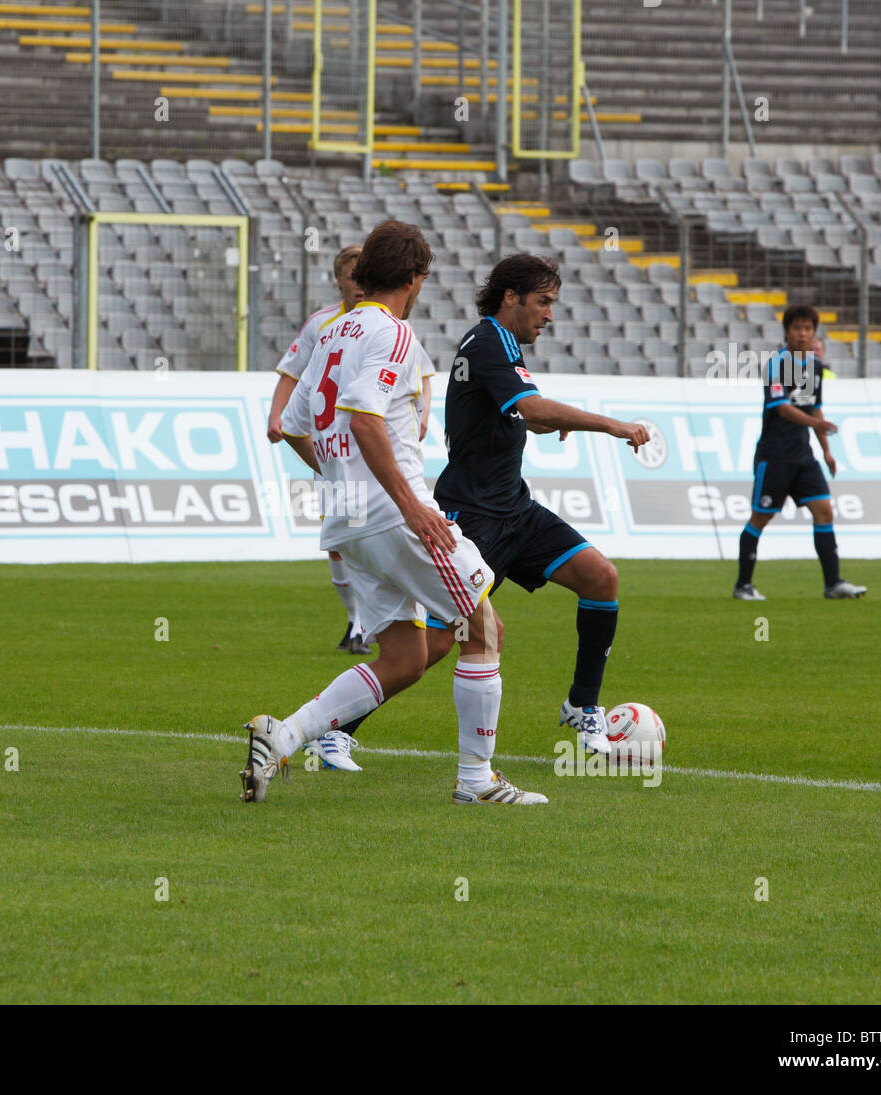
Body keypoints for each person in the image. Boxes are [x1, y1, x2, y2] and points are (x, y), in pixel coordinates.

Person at [243, 220, 546, 807]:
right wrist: (412, 507)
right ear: (415, 277)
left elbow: (298, 426)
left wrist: (339, 481)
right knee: (483, 628)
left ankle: (283, 736)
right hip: (394, 514)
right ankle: (477, 782)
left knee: (405, 658)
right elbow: (363, 418)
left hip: (347, 519)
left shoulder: (332, 334)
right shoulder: (395, 334)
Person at [429, 254, 651, 756]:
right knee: (436, 643)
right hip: (473, 519)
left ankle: (582, 707)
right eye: (544, 301)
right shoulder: (488, 342)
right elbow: (528, 405)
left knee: (601, 577)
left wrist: (540, 421)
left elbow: (508, 413)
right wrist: (611, 425)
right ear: (512, 297)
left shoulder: (493, 343)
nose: (549, 314)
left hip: (515, 511)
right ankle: (338, 728)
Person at [266, 244, 433, 660]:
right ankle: (357, 619)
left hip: (358, 452)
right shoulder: (324, 324)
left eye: (364, 274)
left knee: (354, 537)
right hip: (340, 453)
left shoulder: (385, 325)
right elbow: (292, 371)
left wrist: (423, 412)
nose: (358, 282)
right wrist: (277, 414)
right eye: (351, 275)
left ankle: (366, 625)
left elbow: (424, 374)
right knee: (343, 543)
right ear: (341, 280)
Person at [734, 304, 866, 601]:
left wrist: (827, 451)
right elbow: (782, 409)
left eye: (808, 328)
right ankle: (743, 585)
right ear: (787, 332)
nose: (803, 333)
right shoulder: (777, 364)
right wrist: (817, 423)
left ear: (814, 332)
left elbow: (814, 407)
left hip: (803, 456)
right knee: (760, 517)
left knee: (824, 510)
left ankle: (833, 584)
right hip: (775, 455)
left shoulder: (815, 367)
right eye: (798, 328)